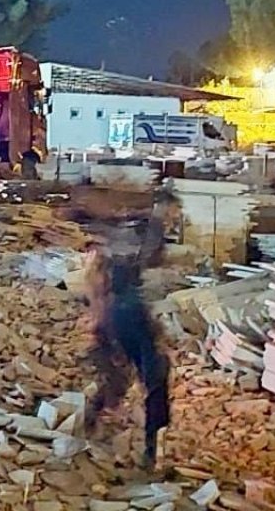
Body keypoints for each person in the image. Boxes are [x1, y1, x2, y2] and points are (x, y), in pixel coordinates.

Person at [85, 194, 175, 469]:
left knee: (118, 376)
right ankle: (152, 452)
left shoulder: (119, 239)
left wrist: (99, 321)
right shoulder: (149, 235)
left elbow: (98, 283)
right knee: (156, 379)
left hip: (117, 314)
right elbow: (147, 269)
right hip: (133, 315)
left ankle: (90, 421)